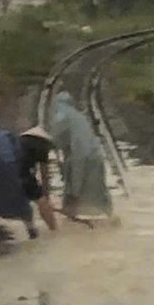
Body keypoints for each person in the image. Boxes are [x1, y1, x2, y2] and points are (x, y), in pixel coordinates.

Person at [49, 90, 113, 218]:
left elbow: (77, 159)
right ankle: (110, 222)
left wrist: (74, 192)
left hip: (84, 163)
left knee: (77, 203)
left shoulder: (62, 116)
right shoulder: (78, 117)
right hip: (96, 159)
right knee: (100, 199)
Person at [19, 126, 58, 231]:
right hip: (22, 171)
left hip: (7, 169)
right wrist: (46, 196)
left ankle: (31, 230)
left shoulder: (21, 141)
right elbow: (44, 171)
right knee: (40, 199)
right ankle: (54, 230)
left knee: (21, 199)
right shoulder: (42, 144)